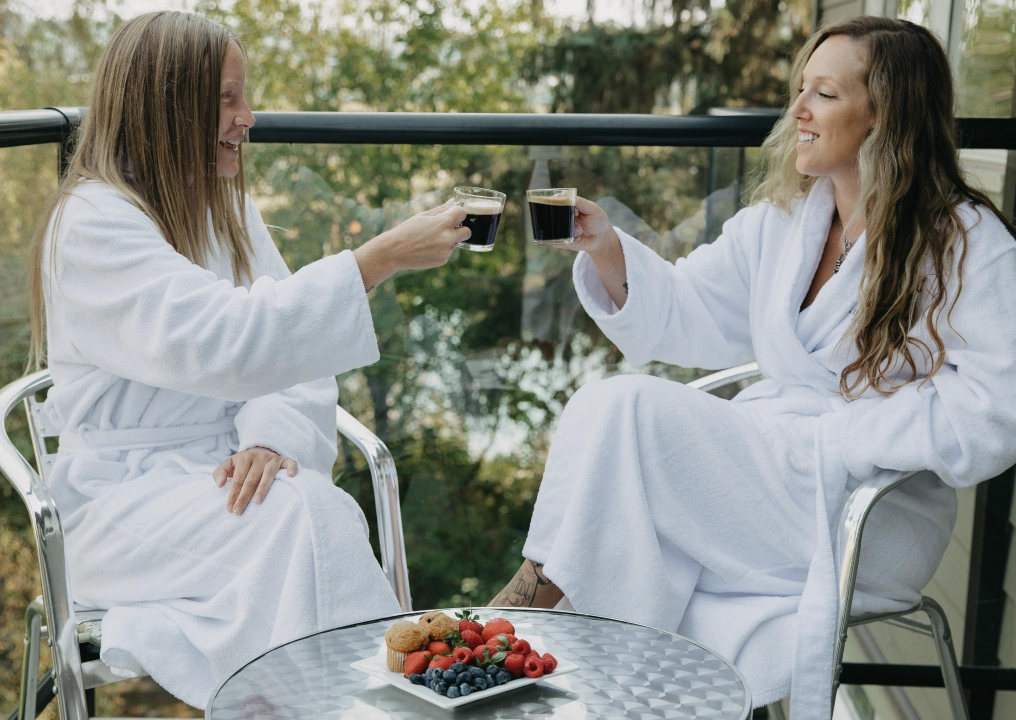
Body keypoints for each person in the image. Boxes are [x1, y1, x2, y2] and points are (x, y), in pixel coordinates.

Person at [490, 16, 1016, 716]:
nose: (796, 111)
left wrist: (842, 441)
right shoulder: (787, 221)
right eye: (801, 90)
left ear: (883, 116)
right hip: (774, 482)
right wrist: (607, 249)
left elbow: (995, 408)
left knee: (626, 409)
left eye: (823, 94)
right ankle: (535, 622)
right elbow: (687, 310)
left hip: (869, 509)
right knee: (608, 410)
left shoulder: (963, 242)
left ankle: (520, 620)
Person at [29, 11, 470, 710]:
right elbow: (224, 340)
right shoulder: (94, 222)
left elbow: (289, 358)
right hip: (121, 506)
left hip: (218, 479)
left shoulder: (219, 207)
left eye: (244, 96)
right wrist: (375, 261)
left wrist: (269, 437)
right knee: (303, 520)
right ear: (166, 108)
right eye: (227, 99)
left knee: (307, 511)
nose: (248, 117)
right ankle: (397, 697)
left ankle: (369, 699)